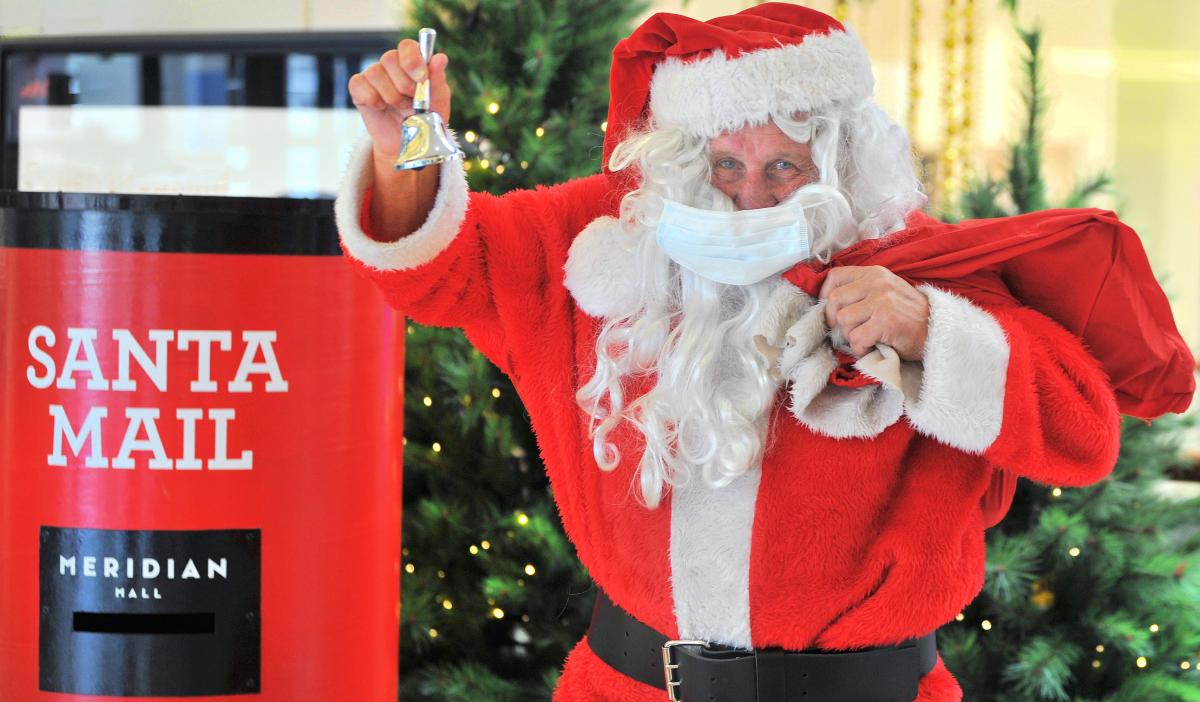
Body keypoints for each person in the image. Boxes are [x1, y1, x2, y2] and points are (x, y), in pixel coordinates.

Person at [335, 4, 1191, 701]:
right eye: (723, 164)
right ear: (676, 161)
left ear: (842, 160)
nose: (749, 196)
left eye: (784, 166)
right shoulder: (602, 245)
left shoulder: (919, 269)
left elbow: (1083, 436)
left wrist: (931, 331)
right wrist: (405, 141)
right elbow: (438, 269)